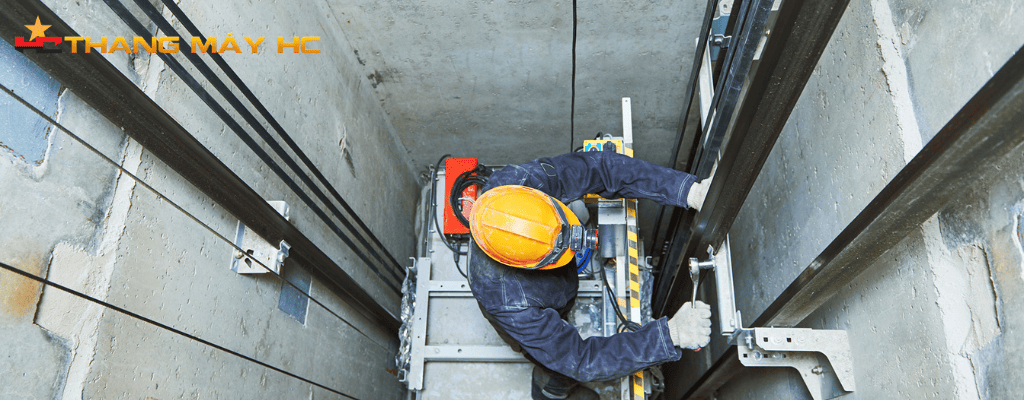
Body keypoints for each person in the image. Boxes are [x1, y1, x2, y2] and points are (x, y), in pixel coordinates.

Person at [466, 150, 714, 400]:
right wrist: (670, 335)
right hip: (538, 301)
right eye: (558, 251)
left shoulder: (517, 185)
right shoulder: (511, 303)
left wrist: (688, 191)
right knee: (556, 367)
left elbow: (601, 167)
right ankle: (550, 392)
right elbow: (579, 359)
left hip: (556, 285)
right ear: (528, 265)